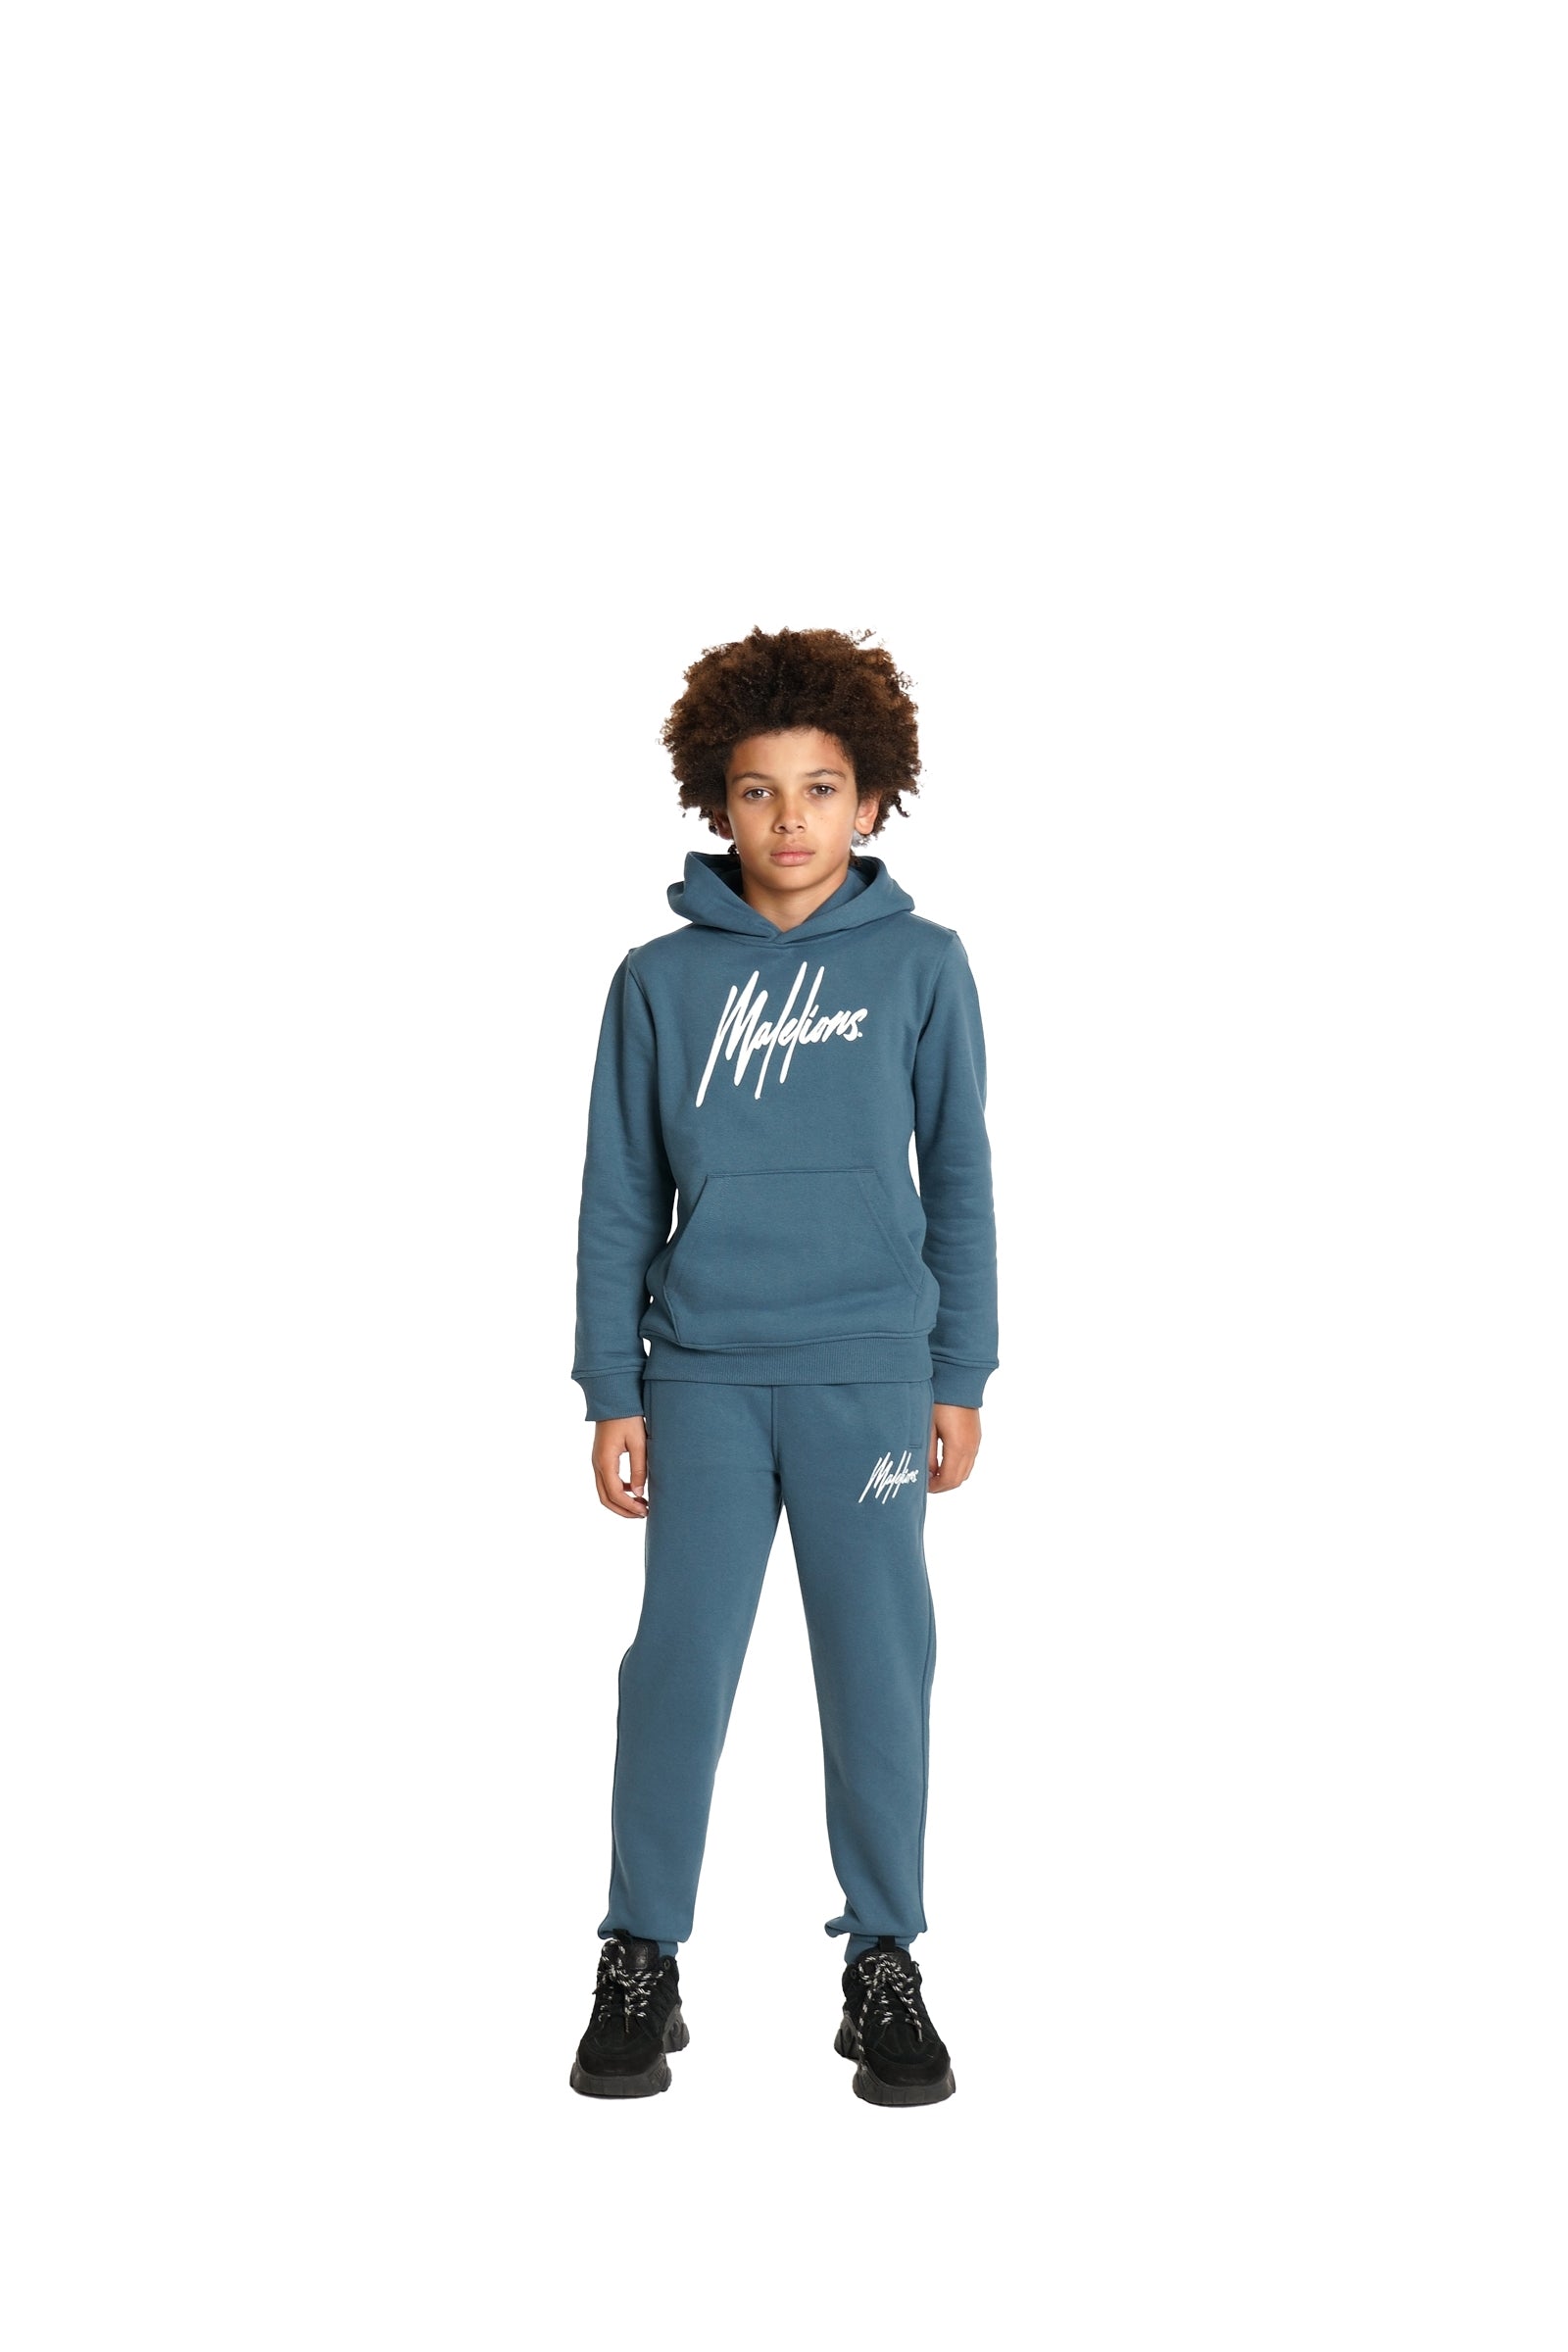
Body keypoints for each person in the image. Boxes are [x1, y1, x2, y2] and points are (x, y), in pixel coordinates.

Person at [567, 624, 999, 2105]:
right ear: (718, 802)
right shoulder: (658, 981)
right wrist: (611, 1387)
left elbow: (961, 1178)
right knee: (676, 1669)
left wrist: (961, 1370)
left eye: (822, 789)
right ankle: (640, 1954)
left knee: (878, 1666)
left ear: (872, 800)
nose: (791, 820)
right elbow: (619, 1196)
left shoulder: (924, 967)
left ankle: (883, 1958)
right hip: (699, 1379)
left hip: (870, 1374)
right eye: (759, 791)